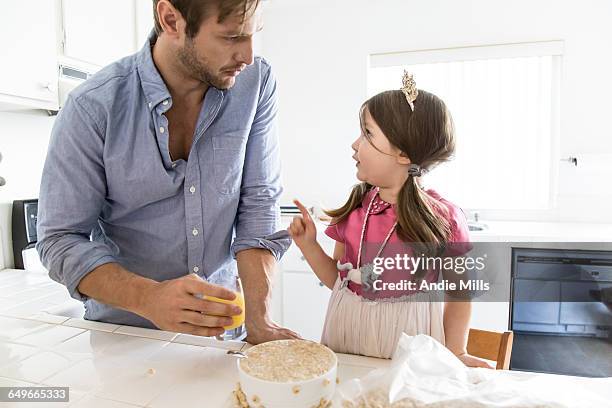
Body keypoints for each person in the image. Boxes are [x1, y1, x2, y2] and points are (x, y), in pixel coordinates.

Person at [36, 0, 298, 344]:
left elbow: (259, 204)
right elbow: (59, 239)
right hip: (125, 336)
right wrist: (149, 297)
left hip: (223, 334)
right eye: (231, 37)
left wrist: (259, 319)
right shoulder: (93, 107)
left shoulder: (256, 84)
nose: (248, 56)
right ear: (171, 19)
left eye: (253, 35)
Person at [288, 72, 492, 366]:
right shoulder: (356, 208)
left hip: (411, 344)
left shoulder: (443, 218)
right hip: (347, 335)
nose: (355, 144)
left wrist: (456, 351)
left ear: (404, 154)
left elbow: (459, 293)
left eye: (368, 133)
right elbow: (339, 282)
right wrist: (308, 245)